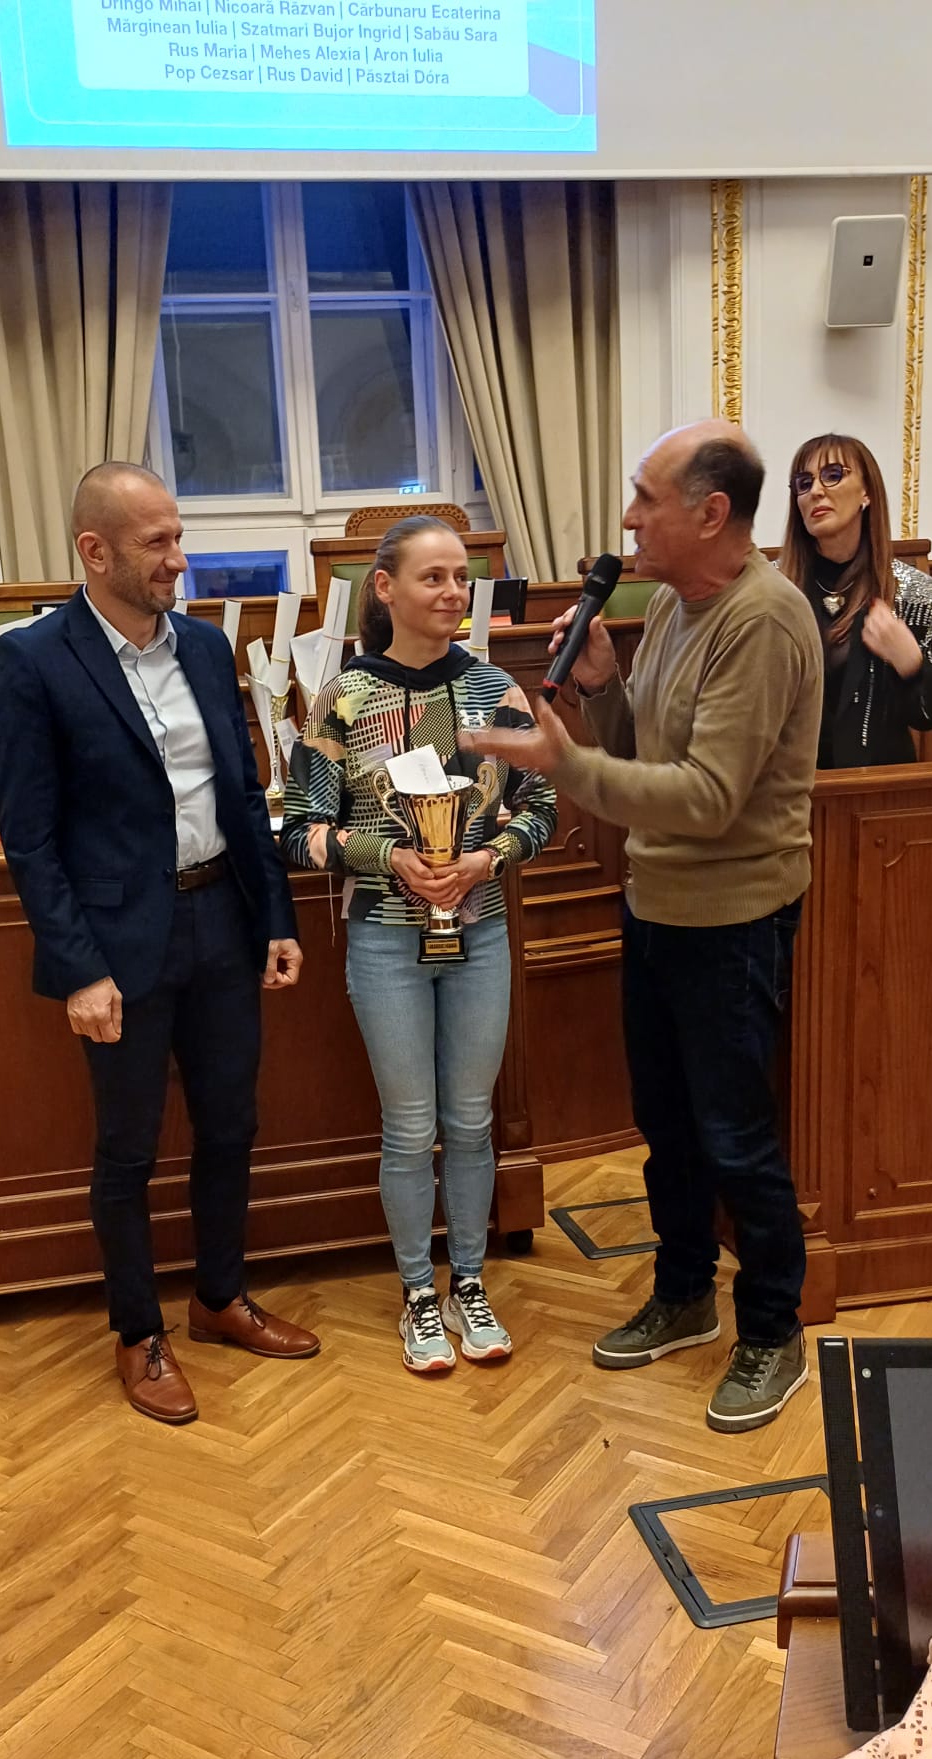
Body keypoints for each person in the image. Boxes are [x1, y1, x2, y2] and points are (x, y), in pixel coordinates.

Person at [465, 421, 823, 1433]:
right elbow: (645, 756)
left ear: (712, 513)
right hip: (657, 904)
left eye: (646, 498)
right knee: (667, 1127)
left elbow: (706, 798)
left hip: (735, 917)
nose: (627, 518)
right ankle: (684, 1293)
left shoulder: (766, 620)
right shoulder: (669, 604)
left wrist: (563, 765)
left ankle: (773, 1330)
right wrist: (603, 690)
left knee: (737, 1138)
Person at [0, 461, 319, 1427]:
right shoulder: (35, 661)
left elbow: (243, 796)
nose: (179, 559)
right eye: (157, 543)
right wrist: (78, 968)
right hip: (117, 944)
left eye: (179, 537)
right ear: (94, 552)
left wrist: (276, 918)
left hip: (221, 920)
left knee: (231, 1126)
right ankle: (139, 1333)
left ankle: (219, 1299)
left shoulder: (207, 649)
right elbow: (30, 839)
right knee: (127, 1150)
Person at [280, 518, 557, 1373]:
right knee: (409, 1129)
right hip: (385, 940)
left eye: (460, 577)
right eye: (433, 577)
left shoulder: (497, 692)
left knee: (471, 1122)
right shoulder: (343, 699)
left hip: (480, 930)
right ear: (386, 589)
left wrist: (485, 860)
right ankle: (416, 1295)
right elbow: (299, 831)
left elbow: (543, 808)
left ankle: (468, 1281)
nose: (452, 592)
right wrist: (390, 856)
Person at [777, 433, 932, 768]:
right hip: (788, 784)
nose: (816, 491)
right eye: (804, 482)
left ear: (866, 493)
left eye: (833, 475)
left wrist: (911, 664)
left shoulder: (917, 593)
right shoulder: (771, 591)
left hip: (877, 783)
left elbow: (929, 716)